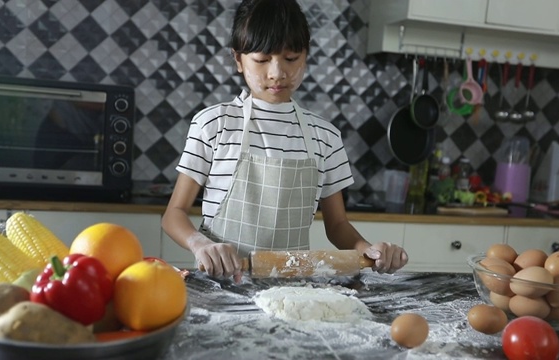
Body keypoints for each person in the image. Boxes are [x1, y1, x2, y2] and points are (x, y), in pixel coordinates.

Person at [162, 0, 408, 283]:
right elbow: (173, 214)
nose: (277, 73)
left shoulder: (325, 137)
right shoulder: (213, 125)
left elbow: (338, 225)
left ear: (306, 56)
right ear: (238, 59)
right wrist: (200, 244)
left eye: (290, 58)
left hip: (291, 291)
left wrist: (369, 251)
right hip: (221, 287)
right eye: (262, 59)